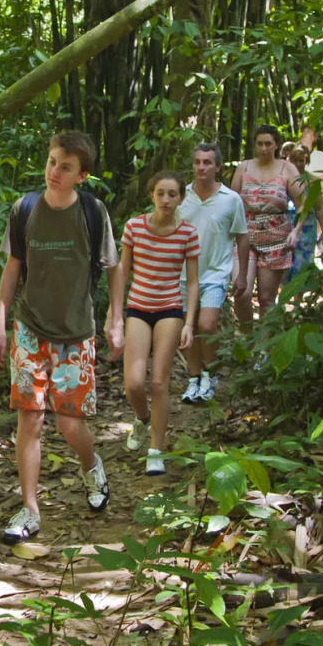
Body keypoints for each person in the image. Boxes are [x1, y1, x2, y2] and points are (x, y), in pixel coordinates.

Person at [0, 130, 124, 543]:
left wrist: (115, 318)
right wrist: (0, 321)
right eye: (52, 162)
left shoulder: (92, 211)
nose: (54, 172)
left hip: (76, 332)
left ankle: (90, 465)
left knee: (68, 424)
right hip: (30, 327)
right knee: (29, 418)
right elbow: (13, 266)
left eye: (65, 167)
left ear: (82, 175)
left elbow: (113, 266)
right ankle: (29, 509)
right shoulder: (24, 208)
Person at [112, 171, 199, 475]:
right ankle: (142, 419)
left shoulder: (187, 233)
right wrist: (116, 315)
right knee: (133, 383)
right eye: (160, 193)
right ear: (152, 195)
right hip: (138, 307)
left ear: (180, 198)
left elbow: (191, 282)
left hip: (170, 310)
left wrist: (189, 323)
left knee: (159, 381)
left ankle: (155, 449)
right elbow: (123, 271)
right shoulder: (135, 226)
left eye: (172, 194)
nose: (165, 199)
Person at [178, 142, 248, 404]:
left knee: (206, 325)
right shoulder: (180, 196)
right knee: (189, 329)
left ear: (218, 166)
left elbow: (242, 237)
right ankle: (194, 378)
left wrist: (240, 275)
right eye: (197, 162)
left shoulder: (231, 199)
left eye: (207, 162)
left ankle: (211, 374)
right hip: (183, 276)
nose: (201, 167)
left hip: (215, 275)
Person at [231, 123, 305, 330]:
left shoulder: (286, 168)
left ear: (276, 146)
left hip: (276, 239)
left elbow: (303, 205)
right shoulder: (243, 168)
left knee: (266, 297)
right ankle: (247, 337)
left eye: (268, 144)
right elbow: (231, 203)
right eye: (259, 144)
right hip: (245, 236)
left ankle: (264, 348)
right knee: (242, 293)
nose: (263, 148)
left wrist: (295, 231)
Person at [288, 127, 323, 280]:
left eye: (302, 160)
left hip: (307, 230)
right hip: (286, 227)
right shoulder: (283, 180)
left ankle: (298, 301)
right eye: (295, 160)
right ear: (290, 161)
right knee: (285, 267)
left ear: (306, 161)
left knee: (302, 266)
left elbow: (319, 208)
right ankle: (284, 300)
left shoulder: (312, 181)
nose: (298, 163)